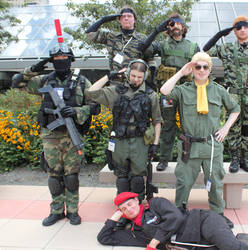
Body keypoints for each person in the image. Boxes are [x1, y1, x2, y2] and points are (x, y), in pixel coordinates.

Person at [11, 43, 100, 226]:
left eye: (64, 58)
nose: (61, 62)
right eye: (56, 59)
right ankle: (56, 211)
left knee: (71, 176)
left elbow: (95, 106)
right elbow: (17, 83)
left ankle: (73, 211)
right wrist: (32, 70)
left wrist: (75, 111)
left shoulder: (82, 82)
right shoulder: (44, 81)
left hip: (72, 135)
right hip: (50, 136)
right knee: (54, 176)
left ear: (70, 59)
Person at [160, 52, 240, 228]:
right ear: (192, 69)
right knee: (183, 182)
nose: (201, 70)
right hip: (189, 146)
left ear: (210, 69)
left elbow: (235, 109)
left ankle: (218, 215)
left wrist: (225, 128)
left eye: (205, 67)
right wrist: (181, 72)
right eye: (198, 66)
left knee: (215, 183)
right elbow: (164, 91)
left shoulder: (218, 90)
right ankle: (179, 213)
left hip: (211, 145)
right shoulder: (183, 90)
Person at [85, 59, 162, 202]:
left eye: (140, 77)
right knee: (121, 177)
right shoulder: (116, 92)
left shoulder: (150, 95)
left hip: (140, 141)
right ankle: (123, 207)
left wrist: (156, 144)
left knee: (138, 179)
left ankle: (137, 208)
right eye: (133, 76)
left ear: (144, 77)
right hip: (120, 140)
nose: (136, 80)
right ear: (127, 74)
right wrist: (109, 76)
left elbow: (157, 121)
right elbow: (91, 93)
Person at [203, 16, 248, 174]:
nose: (242, 30)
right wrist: (220, 34)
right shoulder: (226, 49)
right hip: (232, 96)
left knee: (247, 129)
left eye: (245, 27)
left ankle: (244, 159)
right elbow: (205, 50)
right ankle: (233, 159)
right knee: (232, 128)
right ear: (234, 31)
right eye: (238, 27)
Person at [97, 192, 248, 250]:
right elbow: (104, 238)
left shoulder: (155, 204)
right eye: (123, 209)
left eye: (129, 204)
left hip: (203, 222)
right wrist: (114, 218)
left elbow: (176, 217)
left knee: (230, 248)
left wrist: (154, 242)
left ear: (136, 200)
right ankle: (243, 240)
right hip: (196, 245)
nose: (128, 209)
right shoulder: (135, 233)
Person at [139, 13, 200, 171]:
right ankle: (164, 159)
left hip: (187, 91)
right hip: (168, 91)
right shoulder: (162, 45)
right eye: (171, 25)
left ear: (183, 26)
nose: (175, 27)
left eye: (178, 24)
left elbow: (202, 67)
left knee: (189, 126)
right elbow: (143, 48)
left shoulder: (193, 46)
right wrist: (156, 30)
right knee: (167, 126)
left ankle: (189, 158)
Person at [85, 5, 154, 82]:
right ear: (119, 20)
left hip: (135, 82)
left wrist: (150, 79)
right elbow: (90, 33)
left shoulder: (143, 38)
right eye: (123, 16)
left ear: (134, 20)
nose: (126, 18)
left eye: (129, 16)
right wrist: (103, 20)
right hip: (115, 81)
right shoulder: (112, 36)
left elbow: (150, 59)